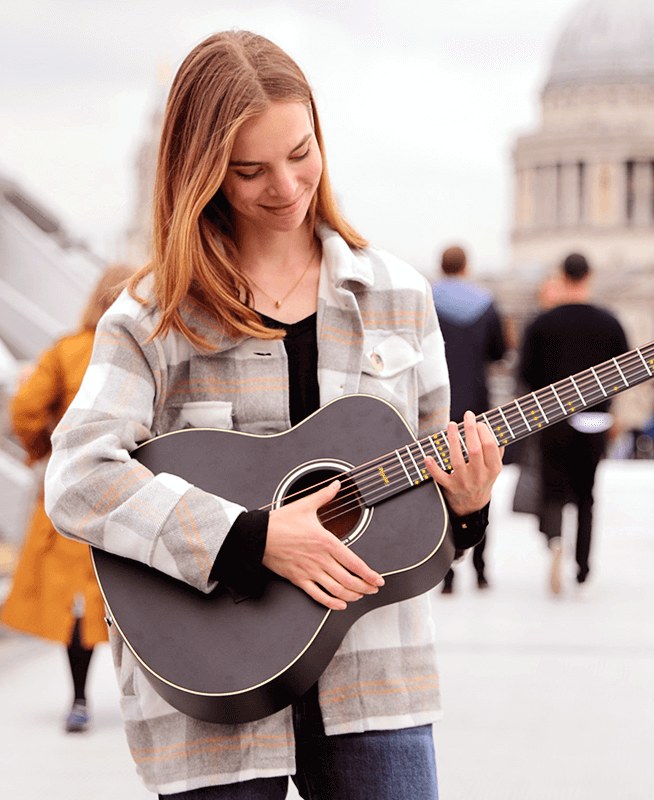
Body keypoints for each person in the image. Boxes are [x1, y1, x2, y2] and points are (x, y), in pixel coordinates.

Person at [43, 31, 503, 799]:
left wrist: (468, 507)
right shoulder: (152, 315)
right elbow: (78, 478)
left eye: (301, 152)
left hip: (376, 681)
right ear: (200, 172)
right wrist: (248, 538)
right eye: (249, 169)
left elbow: (419, 514)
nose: (286, 187)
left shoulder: (398, 295)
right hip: (212, 686)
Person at [1, 263, 133, 732]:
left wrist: (45, 447)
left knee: (76, 602)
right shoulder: (149, 344)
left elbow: (26, 407)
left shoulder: (67, 351)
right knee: (138, 592)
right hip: (137, 489)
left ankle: (79, 699)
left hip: (75, 491)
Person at [518, 253, 628, 594]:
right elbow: (624, 373)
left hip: (553, 421)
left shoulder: (541, 323)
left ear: (561, 276)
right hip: (595, 421)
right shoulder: (609, 323)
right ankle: (582, 566)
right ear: (589, 277)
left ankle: (554, 542)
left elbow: (526, 374)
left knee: (553, 491)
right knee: (586, 496)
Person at [432, 245, 507, 592]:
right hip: (477, 406)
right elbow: (499, 353)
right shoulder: (485, 304)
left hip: (438, 407)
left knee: (440, 489)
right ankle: (481, 569)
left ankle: (445, 574)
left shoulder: (425, 298)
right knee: (479, 487)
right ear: (466, 266)